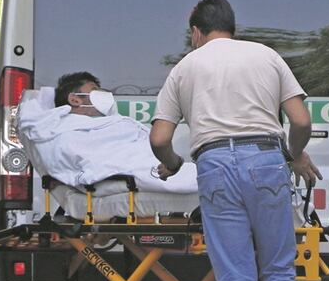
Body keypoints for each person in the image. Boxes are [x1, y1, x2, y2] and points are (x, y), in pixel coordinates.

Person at [149, 0, 322, 281]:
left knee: (237, 280)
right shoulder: (266, 56)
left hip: (214, 166)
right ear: (233, 27)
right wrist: (295, 154)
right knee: (278, 272)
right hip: (265, 160)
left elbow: (159, 139)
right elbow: (300, 120)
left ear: (196, 32)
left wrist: (172, 164)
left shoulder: (184, 68)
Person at [15, 71, 196, 193]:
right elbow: (96, 160)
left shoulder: (105, 125)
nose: (104, 95)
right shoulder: (62, 133)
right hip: (144, 172)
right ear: (75, 99)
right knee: (202, 177)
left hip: (156, 166)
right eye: (95, 90)